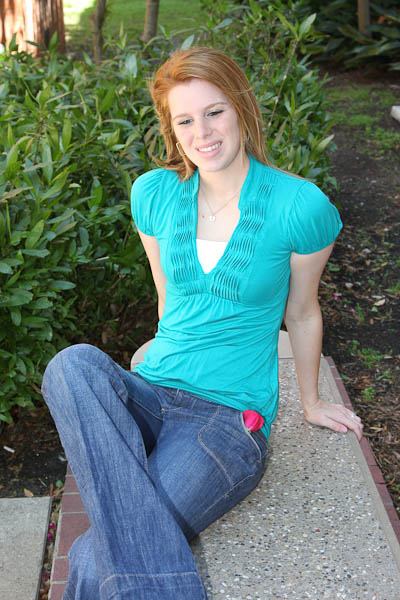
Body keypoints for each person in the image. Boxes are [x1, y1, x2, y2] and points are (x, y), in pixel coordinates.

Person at [42, 47, 363, 600]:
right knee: (72, 365)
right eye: (185, 120)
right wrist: (159, 350)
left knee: (94, 556)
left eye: (215, 112)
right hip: (153, 391)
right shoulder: (154, 194)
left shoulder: (298, 205)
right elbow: (168, 295)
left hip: (225, 418)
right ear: (171, 129)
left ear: (241, 108)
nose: (203, 133)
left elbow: (302, 311)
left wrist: (310, 402)